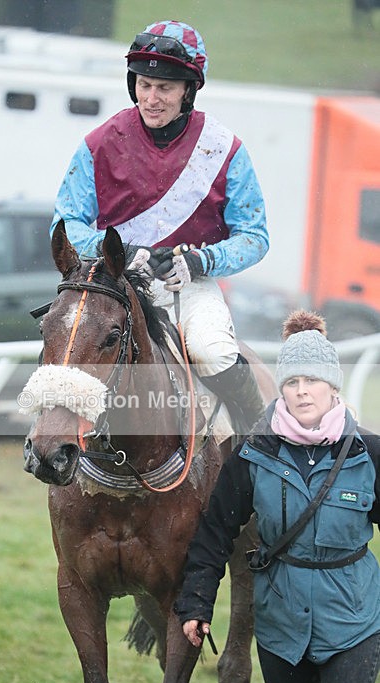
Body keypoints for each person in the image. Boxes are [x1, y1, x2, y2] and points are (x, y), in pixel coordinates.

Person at [175, 310, 380, 683]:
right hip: (281, 621)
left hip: (353, 617)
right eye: (292, 382)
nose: (302, 391)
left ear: (333, 388)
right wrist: (197, 603)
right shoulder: (251, 454)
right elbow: (214, 532)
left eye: (313, 381)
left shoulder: (369, 451)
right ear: (279, 390)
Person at [51, 19, 269, 431]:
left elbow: (255, 238)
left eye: (165, 88)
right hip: (114, 284)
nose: (151, 99)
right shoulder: (98, 144)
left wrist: (202, 261)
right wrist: (121, 252)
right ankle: (51, 450)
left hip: (187, 287)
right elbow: (63, 226)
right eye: (143, 85)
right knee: (67, 345)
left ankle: (261, 441)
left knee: (212, 352)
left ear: (189, 89)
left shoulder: (225, 150)